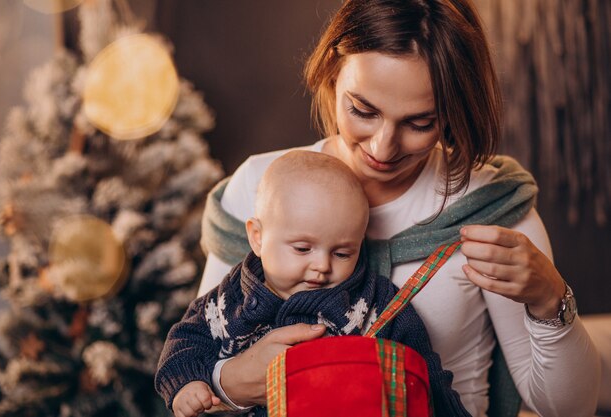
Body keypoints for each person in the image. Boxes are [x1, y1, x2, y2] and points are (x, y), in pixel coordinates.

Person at [198, 1, 601, 416]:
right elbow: (192, 379)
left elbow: (570, 409)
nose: (382, 148)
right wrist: (233, 380)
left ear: (451, 112)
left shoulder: (490, 208)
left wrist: (550, 298)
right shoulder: (260, 186)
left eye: (419, 123)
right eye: (363, 110)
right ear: (333, 74)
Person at [156, 150, 470, 417]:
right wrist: (187, 384)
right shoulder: (229, 300)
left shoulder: (374, 302)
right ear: (258, 237)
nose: (322, 266)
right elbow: (185, 340)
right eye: (303, 249)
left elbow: (426, 374)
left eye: (343, 252)